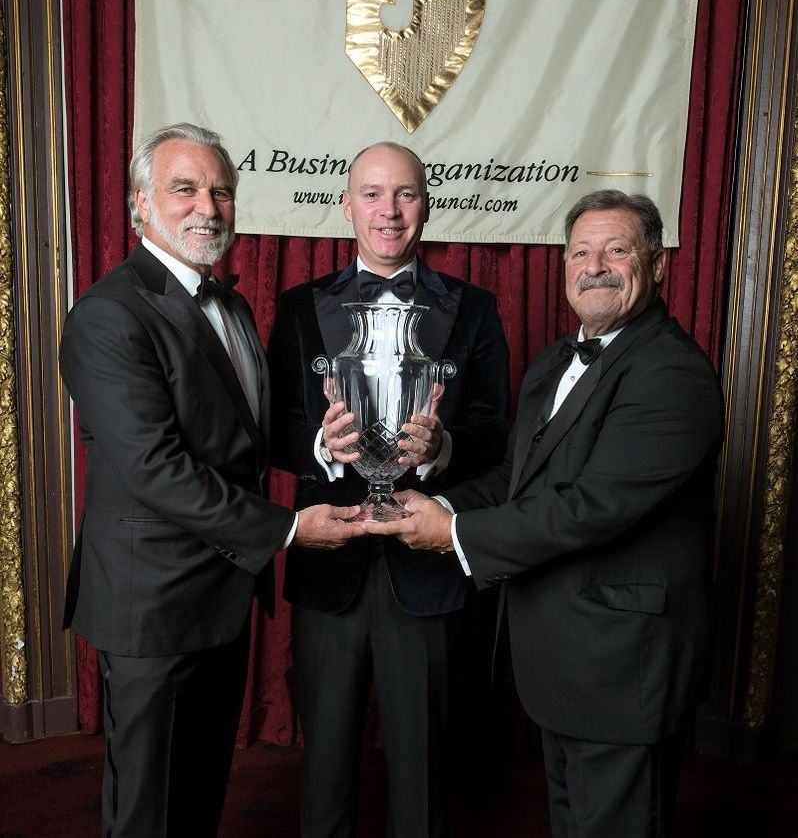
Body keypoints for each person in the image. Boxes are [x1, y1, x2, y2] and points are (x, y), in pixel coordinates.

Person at [367, 190, 725, 838]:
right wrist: (441, 501)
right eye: (581, 252)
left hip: (623, 669)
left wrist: (451, 534)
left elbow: (588, 510)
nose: (596, 265)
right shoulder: (557, 360)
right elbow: (518, 477)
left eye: (617, 249)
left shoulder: (671, 374)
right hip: (563, 662)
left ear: (659, 263)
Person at [60, 123, 364, 838]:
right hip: (153, 603)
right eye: (185, 188)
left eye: (222, 191)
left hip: (222, 595)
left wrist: (324, 445)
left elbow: (238, 443)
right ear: (141, 204)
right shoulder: (108, 315)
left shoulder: (230, 305)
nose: (208, 206)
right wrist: (289, 527)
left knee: (197, 797)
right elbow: (154, 468)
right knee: (146, 810)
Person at [267, 141, 510, 838]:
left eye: (404, 194)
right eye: (372, 194)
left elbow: (498, 428)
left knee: (423, 769)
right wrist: (321, 445)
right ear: (346, 205)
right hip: (329, 563)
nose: (389, 210)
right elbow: (275, 424)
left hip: (427, 571)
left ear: (425, 205)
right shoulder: (299, 308)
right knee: (325, 770)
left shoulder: (472, 308)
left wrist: (444, 451)